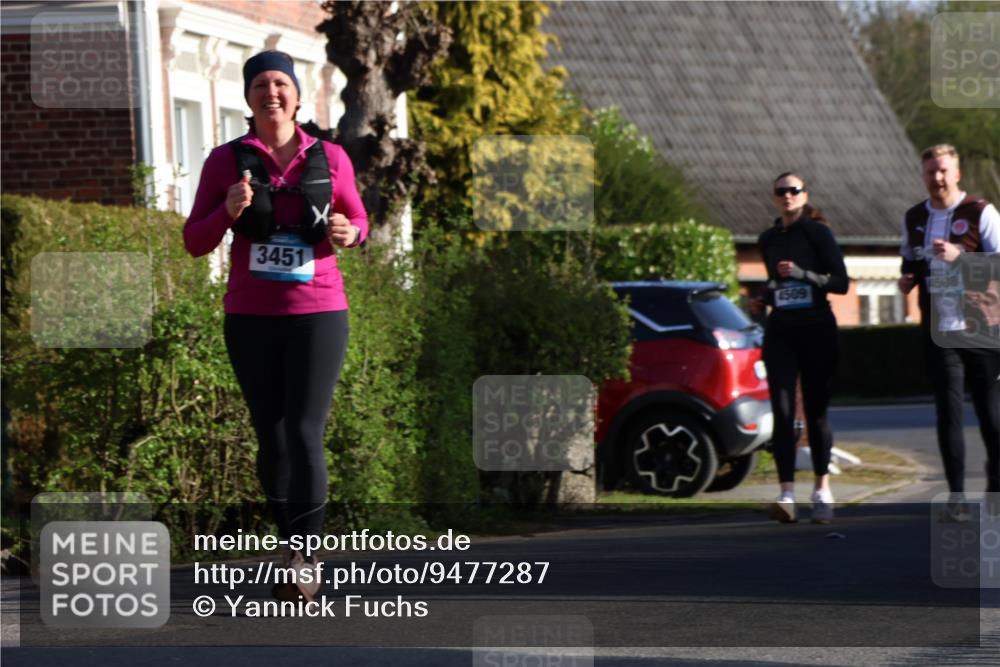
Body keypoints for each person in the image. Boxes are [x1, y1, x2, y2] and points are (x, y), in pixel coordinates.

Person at [183, 50, 368, 600]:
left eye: (281, 83)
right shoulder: (226, 161)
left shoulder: (331, 157)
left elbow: (359, 219)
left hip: (319, 313)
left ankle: (306, 556)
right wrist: (229, 212)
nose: (272, 93)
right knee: (271, 433)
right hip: (250, 315)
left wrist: (350, 233)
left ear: (297, 94)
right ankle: (290, 543)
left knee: (305, 430)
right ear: (248, 97)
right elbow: (195, 241)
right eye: (261, 84)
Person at [898, 144, 999, 516]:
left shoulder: (979, 212)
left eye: (943, 171)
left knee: (992, 416)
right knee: (948, 413)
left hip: (983, 328)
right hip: (940, 331)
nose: (937, 178)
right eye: (930, 172)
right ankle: (957, 497)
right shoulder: (913, 218)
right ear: (923, 176)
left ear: (956, 174)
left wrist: (963, 258)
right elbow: (910, 262)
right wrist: (906, 280)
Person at [752, 173, 849, 524]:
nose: (787, 196)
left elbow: (840, 283)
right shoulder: (767, 239)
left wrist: (803, 274)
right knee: (781, 410)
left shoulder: (818, 233)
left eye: (793, 190)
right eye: (781, 192)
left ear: (805, 195)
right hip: (781, 332)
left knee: (817, 411)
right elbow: (775, 283)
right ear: (774, 197)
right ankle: (787, 494)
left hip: (817, 330)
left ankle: (822, 490)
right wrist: (762, 298)